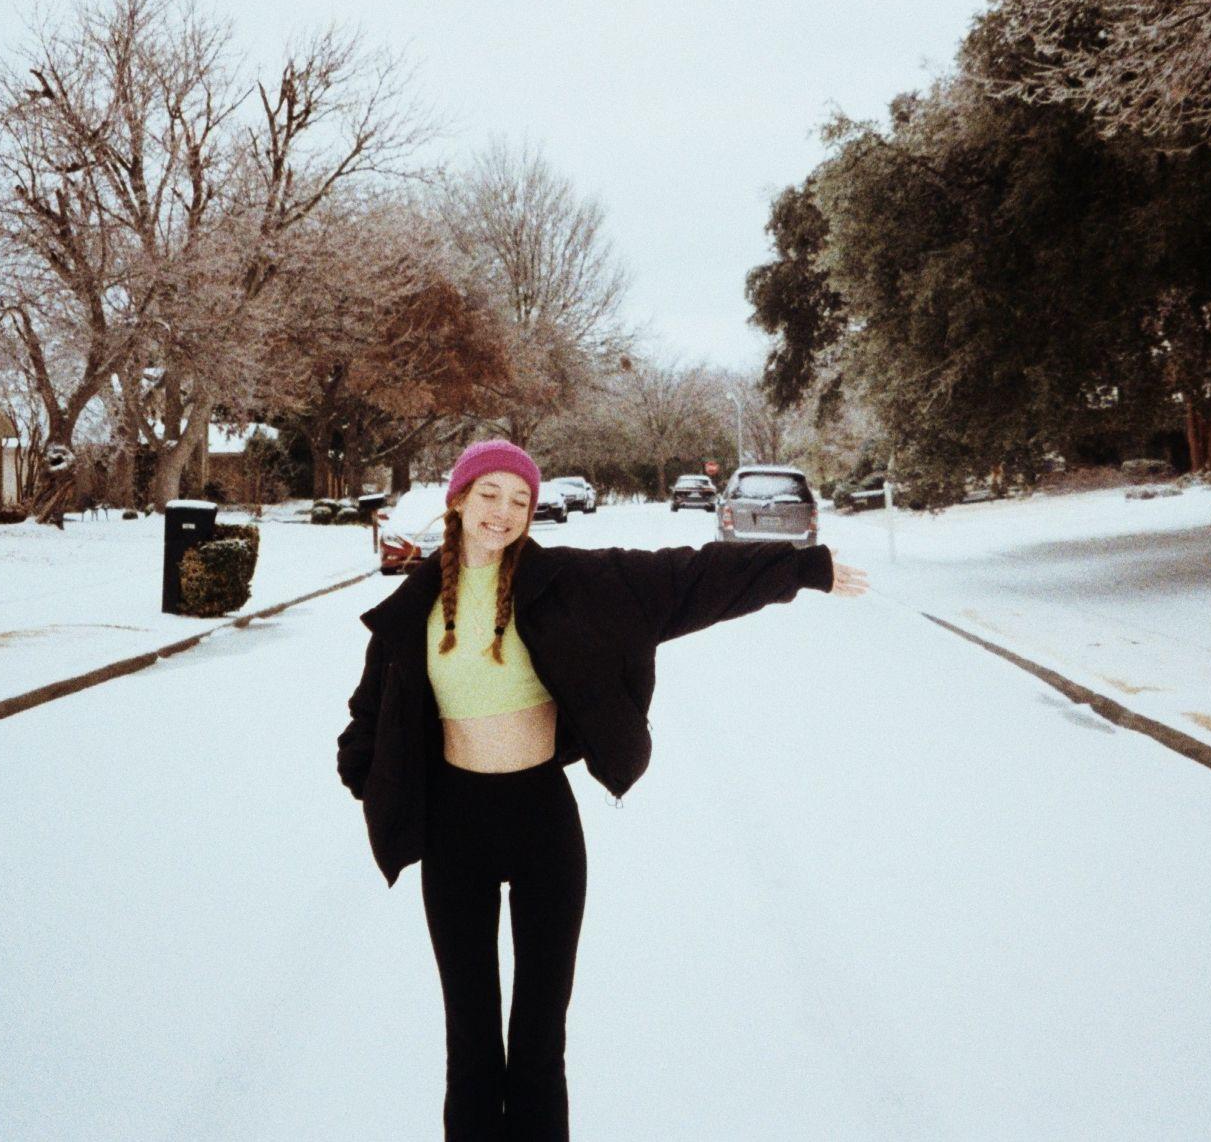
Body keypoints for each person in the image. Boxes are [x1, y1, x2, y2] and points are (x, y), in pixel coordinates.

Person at [337, 438, 869, 1141]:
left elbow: (684, 578)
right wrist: (370, 777)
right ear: (459, 500)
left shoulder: (569, 583)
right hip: (454, 829)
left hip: (541, 825)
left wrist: (802, 567)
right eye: (489, 494)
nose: (503, 512)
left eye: (519, 500)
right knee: (469, 1040)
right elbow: (371, 715)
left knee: (538, 1038)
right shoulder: (413, 607)